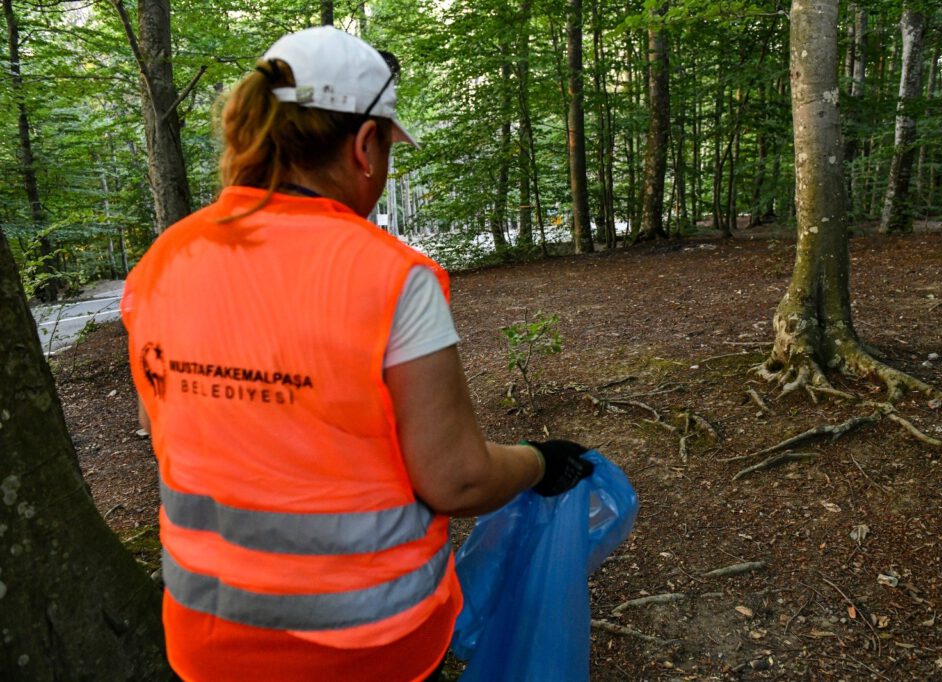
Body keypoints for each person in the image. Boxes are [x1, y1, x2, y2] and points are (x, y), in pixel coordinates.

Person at [120, 26, 594, 682]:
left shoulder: (162, 263)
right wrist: (539, 462)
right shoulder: (393, 279)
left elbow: (171, 430)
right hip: (369, 647)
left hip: (208, 640)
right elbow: (454, 479)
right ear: (365, 146)